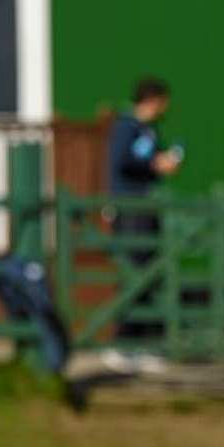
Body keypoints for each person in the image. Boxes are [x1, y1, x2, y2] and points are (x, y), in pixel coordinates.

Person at [103, 76, 181, 371]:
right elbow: (124, 162)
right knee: (134, 275)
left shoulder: (147, 129)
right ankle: (121, 344)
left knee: (149, 276)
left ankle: (141, 344)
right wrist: (154, 165)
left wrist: (160, 165)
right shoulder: (126, 127)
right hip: (130, 210)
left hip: (145, 208)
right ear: (153, 100)